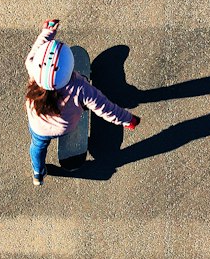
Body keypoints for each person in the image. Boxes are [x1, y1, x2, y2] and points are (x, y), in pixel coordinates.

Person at [24, 19, 139, 185]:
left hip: (37, 124)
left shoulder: (33, 69)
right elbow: (106, 108)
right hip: (64, 126)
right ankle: (81, 105)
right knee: (81, 103)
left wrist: (47, 33)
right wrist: (128, 120)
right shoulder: (81, 88)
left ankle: (38, 172)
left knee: (37, 146)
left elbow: (35, 52)